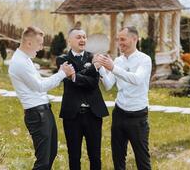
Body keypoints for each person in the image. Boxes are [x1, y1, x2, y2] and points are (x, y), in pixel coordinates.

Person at [8, 26, 75, 170]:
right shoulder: (19, 62)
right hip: (37, 115)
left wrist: (60, 73)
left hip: (44, 112)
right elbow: (40, 86)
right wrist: (62, 74)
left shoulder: (26, 59)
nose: (41, 48)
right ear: (29, 43)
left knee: (51, 154)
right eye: (39, 44)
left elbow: (40, 84)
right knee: (43, 161)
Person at [94, 26, 152, 170]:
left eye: (123, 39)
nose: (120, 43)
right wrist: (101, 67)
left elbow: (137, 79)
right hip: (119, 114)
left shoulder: (144, 60)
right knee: (118, 158)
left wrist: (112, 68)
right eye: (118, 40)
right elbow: (108, 85)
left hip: (138, 116)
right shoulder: (118, 61)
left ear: (134, 39)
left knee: (142, 160)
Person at [56, 28, 109, 170]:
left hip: (94, 114)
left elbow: (92, 83)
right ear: (70, 41)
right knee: (73, 155)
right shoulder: (62, 59)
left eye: (85, 37)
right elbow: (69, 80)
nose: (83, 40)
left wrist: (76, 76)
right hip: (72, 115)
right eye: (79, 37)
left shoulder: (93, 57)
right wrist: (93, 68)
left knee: (95, 155)